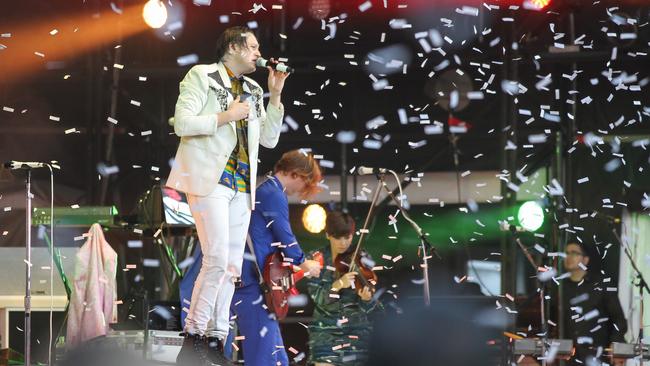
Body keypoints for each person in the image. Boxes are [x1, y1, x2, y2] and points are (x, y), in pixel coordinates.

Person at [166, 25, 289, 366]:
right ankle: (192, 337)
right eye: (253, 46)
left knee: (232, 267)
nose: (257, 53)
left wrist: (275, 95)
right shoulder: (201, 75)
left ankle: (217, 338)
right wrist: (226, 116)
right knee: (217, 258)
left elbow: (269, 140)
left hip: (240, 187)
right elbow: (182, 123)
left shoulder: (252, 87)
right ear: (233, 47)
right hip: (209, 180)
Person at [230, 150, 323, 366]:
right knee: (263, 355)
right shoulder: (273, 193)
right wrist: (303, 262)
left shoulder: (267, 190)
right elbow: (285, 235)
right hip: (253, 283)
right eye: (305, 183)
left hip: (254, 281)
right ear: (297, 174)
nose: (302, 191)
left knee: (277, 356)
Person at [306, 211, 381, 366]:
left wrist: (367, 300)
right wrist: (338, 284)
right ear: (328, 235)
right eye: (337, 237)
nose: (343, 243)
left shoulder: (362, 257)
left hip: (357, 336)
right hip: (325, 336)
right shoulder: (315, 259)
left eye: (347, 237)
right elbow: (318, 299)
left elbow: (373, 307)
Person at [562, 241, 627, 366]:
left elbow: (618, 319)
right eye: (566, 253)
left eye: (574, 253)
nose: (569, 257)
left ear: (585, 260)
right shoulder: (560, 288)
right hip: (567, 357)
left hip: (598, 355)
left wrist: (617, 345)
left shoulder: (600, 285)